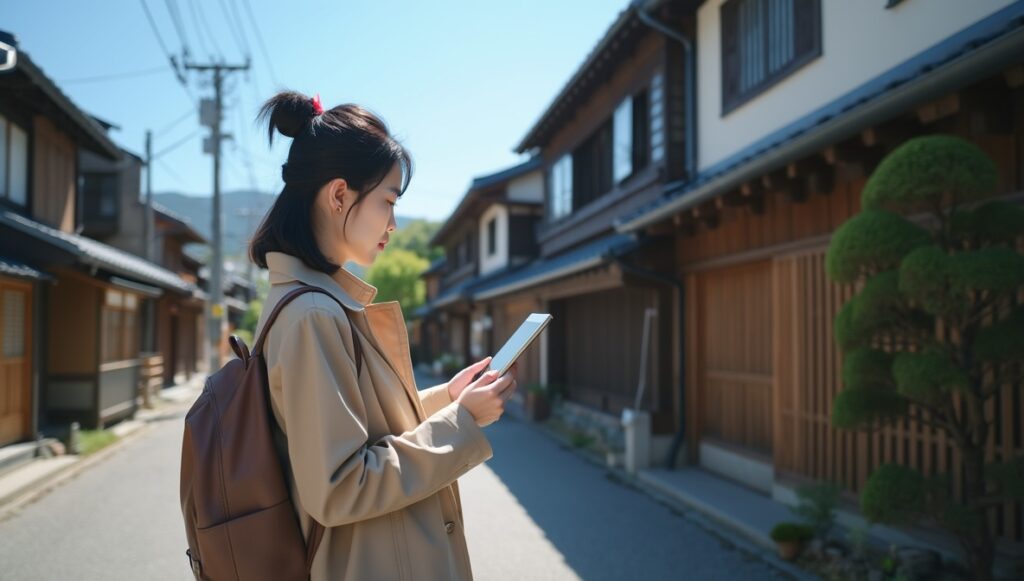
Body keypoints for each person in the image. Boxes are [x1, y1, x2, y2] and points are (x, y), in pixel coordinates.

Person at [248, 90, 518, 580]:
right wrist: (463, 422)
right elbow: (340, 486)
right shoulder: (313, 314)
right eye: (388, 202)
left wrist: (448, 400)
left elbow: (364, 428)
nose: (393, 224)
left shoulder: (313, 304)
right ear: (338, 195)